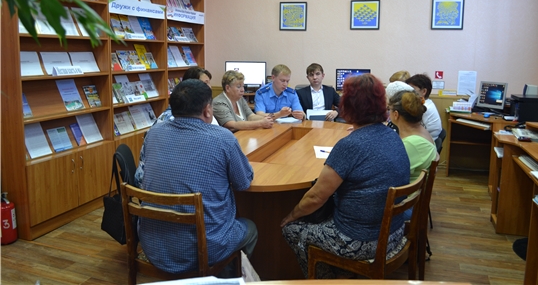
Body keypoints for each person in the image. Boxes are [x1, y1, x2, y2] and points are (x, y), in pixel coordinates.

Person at [281, 74, 410, 278]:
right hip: (395, 231)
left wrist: (291, 215)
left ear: (348, 107)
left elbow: (316, 197)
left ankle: (325, 281)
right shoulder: (392, 135)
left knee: (292, 229)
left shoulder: (350, 145)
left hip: (362, 240)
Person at [138, 79, 258, 275]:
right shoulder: (222, 138)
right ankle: (222, 278)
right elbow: (243, 182)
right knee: (250, 228)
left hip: (153, 244)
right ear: (207, 110)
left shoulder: (154, 133)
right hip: (203, 250)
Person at [135, 67, 217, 188]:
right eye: (205, 83)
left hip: (151, 193)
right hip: (159, 189)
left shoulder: (161, 126)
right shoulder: (179, 121)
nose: (209, 87)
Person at [387, 89, 439, 183]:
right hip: (407, 190)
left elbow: (387, 173)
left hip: (404, 195)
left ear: (396, 115)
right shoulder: (421, 131)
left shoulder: (412, 144)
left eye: (389, 110)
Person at [406, 74, 442, 141]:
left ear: (424, 91)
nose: (408, 93)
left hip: (426, 140)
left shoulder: (424, 108)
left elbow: (412, 129)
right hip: (425, 138)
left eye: (412, 89)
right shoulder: (427, 102)